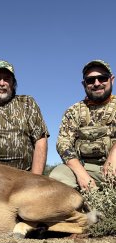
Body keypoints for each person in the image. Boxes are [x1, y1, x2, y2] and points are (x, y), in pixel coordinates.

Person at [49, 60, 116, 191]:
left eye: (102, 78)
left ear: (111, 80)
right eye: (90, 80)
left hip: (113, 166)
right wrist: (81, 174)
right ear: (84, 84)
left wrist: (114, 155)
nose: (96, 83)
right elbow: (63, 143)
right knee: (57, 177)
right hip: (85, 168)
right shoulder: (73, 111)